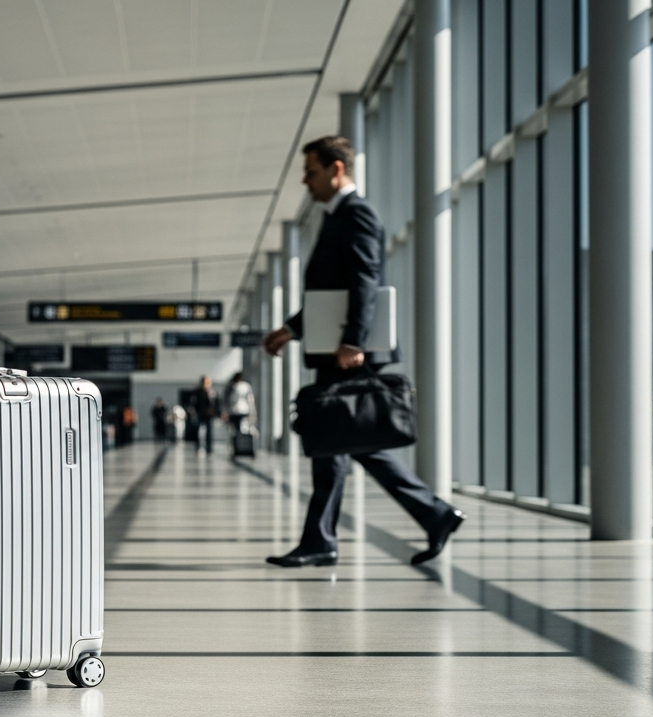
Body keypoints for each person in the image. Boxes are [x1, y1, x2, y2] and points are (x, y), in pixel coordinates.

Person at [262, 136, 465, 568]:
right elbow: (329, 295)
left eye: (311, 171)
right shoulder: (338, 216)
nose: (305, 180)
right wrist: (288, 329)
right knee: (339, 444)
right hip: (338, 348)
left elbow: (364, 280)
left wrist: (353, 341)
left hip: (348, 354)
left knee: (341, 441)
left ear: (337, 170)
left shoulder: (357, 214)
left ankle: (426, 516)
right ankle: (424, 517)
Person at [188, 375, 220, 454]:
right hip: (200, 414)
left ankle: (208, 448)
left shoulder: (212, 392)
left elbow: (216, 404)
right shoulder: (198, 392)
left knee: (209, 432)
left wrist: (216, 412)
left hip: (209, 415)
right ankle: (198, 447)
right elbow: (194, 403)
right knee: (198, 430)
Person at [223, 372, 255, 438]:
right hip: (244, 410)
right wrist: (252, 410)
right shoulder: (246, 386)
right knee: (243, 427)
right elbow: (250, 399)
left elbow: (229, 400)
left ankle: (237, 442)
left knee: (235, 428)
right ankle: (240, 442)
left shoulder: (232, 386)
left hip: (234, 410)